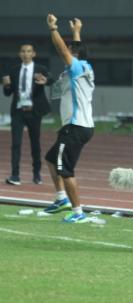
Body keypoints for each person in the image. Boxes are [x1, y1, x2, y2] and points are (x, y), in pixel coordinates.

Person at [42, 15, 95, 224]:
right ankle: (61, 199)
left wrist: (53, 28)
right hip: (76, 126)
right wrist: (77, 30)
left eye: (73, 51)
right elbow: (74, 48)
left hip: (75, 127)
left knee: (65, 170)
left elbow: (64, 51)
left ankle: (78, 211)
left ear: (77, 56)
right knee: (50, 158)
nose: (69, 53)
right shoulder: (79, 68)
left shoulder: (78, 67)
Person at [2, 44, 53, 185]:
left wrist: (46, 80)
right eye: (23, 51)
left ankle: (36, 174)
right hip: (18, 111)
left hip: (34, 112)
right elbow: (8, 93)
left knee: (35, 144)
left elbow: (52, 80)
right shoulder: (14, 70)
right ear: (20, 54)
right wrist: (6, 85)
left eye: (28, 51)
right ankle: (15, 175)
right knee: (16, 144)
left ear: (34, 54)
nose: (26, 54)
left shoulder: (40, 69)